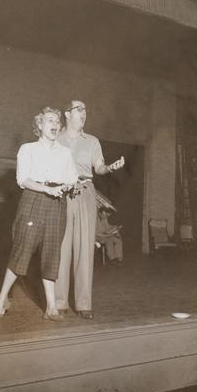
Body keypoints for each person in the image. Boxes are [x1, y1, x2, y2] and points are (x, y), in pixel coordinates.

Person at [0, 107, 78, 321]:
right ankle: (1, 298)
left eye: (57, 121)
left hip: (57, 204)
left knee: (51, 254)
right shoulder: (27, 149)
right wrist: (47, 189)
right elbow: (23, 179)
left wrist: (70, 186)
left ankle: (51, 308)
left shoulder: (65, 153)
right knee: (22, 252)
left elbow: (71, 178)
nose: (55, 124)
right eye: (49, 120)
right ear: (39, 125)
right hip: (33, 201)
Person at [55, 100, 125, 319]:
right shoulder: (56, 138)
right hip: (62, 193)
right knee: (61, 248)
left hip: (86, 192)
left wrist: (109, 168)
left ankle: (84, 304)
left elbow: (99, 167)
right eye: (79, 109)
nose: (84, 113)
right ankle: (59, 302)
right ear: (68, 114)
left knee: (85, 249)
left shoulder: (92, 141)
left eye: (85, 109)